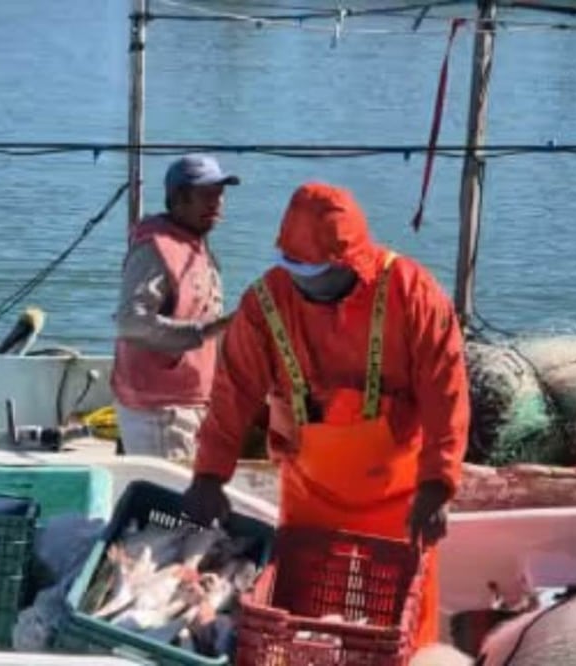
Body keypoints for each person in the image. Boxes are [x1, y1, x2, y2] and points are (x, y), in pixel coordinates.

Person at [182, 182, 470, 649]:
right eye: (295, 270)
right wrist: (210, 475)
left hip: (401, 497)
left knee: (402, 626)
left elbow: (447, 393)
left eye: (318, 274)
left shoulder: (413, 292)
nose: (305, 283)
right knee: (301, 620)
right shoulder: (265, 304)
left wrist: (438, 486)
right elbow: (231, 393)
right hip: (309, 492)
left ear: (351, 263)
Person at [110, 154, 239, 461]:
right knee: (172, 502)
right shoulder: (155, 249)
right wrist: (207, 331)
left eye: (220, 194)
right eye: (206, 195)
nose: (217, 203)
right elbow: (131, 322)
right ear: (178, 199)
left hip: (187, 400)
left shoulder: (194, 242)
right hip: (159, 410)